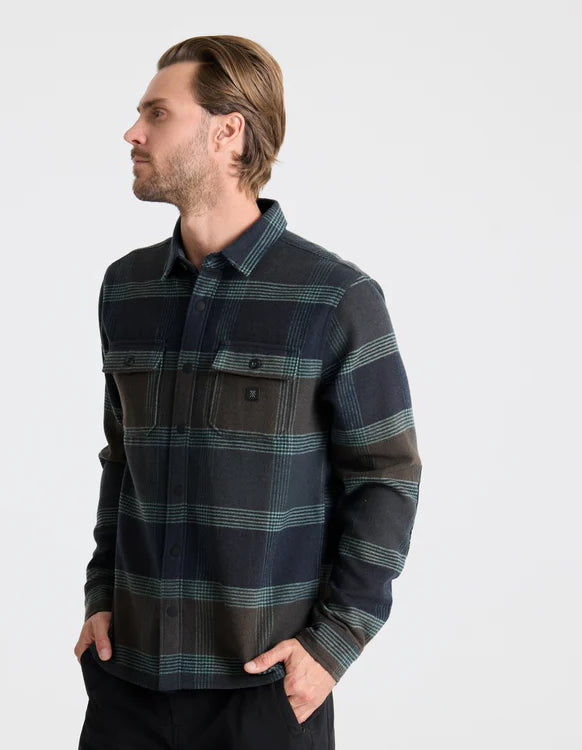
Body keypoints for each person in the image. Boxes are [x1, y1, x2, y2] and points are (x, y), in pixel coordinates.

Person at [73, 35, 422, 750]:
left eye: (157, 114)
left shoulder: (335, 298)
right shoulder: (127, 288)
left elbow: (386, 476)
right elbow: (121, 459)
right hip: (127, 683)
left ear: (227, 131)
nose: (133, 133)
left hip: (264, 694)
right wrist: (101, 595)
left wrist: (334, 645)